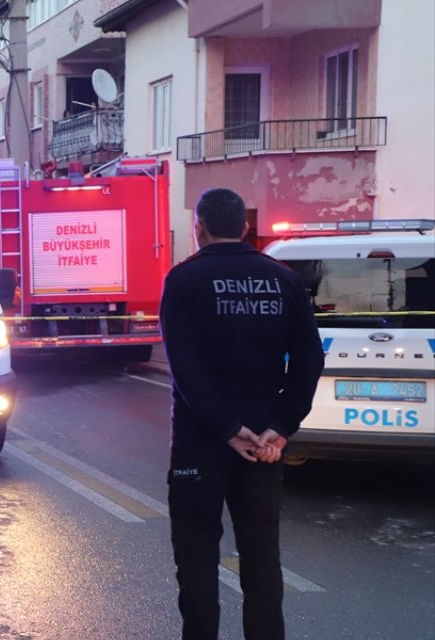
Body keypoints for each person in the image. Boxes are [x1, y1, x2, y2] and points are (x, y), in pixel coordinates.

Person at [160, 188, 324, 640]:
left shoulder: (183, 280)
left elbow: (185, 367)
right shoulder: (283, 279)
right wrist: (281, 427)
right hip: (265, 447)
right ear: (246, 228)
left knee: (196, 557)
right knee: (261, 559)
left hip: (200, 442)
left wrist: (227, 429)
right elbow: (310, 358)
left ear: (199, 228)